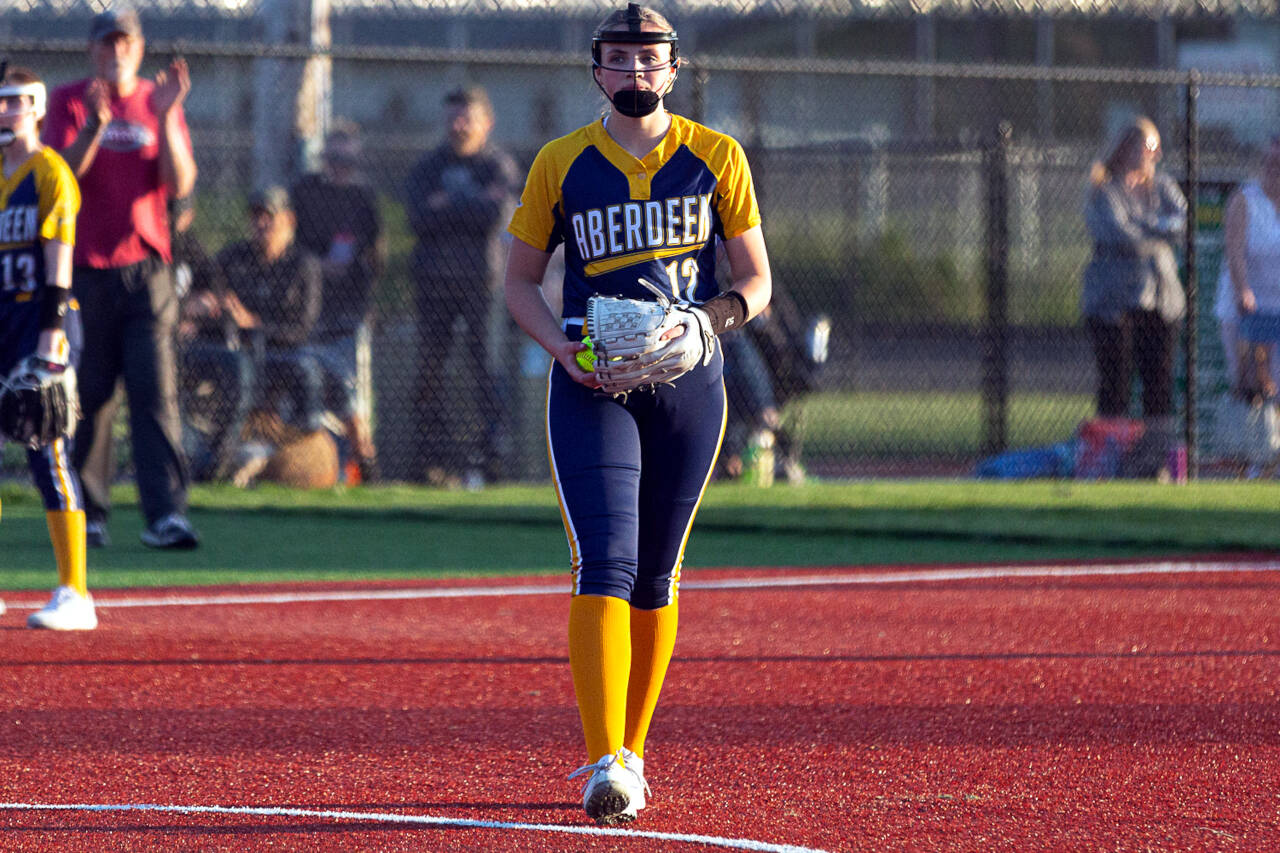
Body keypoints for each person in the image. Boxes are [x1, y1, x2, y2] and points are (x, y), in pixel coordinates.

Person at [503, 3, 771, 825]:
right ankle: (600, 759)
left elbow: (756, 281)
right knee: (604, 560)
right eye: (617, 58)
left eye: (647, 58)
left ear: (674, 68)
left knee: (657, 573)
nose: (633, 72)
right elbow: (518, 282)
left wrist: (706, 321)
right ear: (596, 70)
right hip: (594, 381)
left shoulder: (716, 155)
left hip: (689, 378)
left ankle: (635, 751)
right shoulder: (561, 162)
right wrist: (561, 349)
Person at [43, 7, 200, 549]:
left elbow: (179, 183)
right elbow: (60, 176)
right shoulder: (70, 99)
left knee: (155, 394)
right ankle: (88, 515)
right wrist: (94, 126)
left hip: (145, 272)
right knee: (88, 396)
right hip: (83, 271)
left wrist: (167, 116)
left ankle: (166, 516)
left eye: (126, 42)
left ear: (140, 46)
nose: (117, 52)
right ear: (92, 50)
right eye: (107, 43)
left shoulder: (157, 102)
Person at [0, 65, 97, 629]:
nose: (6, 113)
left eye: (16, 103)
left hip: (41, 324)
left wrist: (50, 338)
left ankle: (75, 592)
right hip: (0, 325)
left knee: (46, 452)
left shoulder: (51, 171)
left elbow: (58, 258)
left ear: (36, 108)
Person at [406, 86, 520, 487]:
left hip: (481, 285)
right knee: (430, 372)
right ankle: (431, 461)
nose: (458, 125)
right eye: (452, 117)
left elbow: (494, 217)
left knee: (487, 370)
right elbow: (418, 219)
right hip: (433, 283)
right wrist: (470, 203)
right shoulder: (427, 167)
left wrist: (447, 204)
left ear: (485, 123)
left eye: (466, 118)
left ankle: (493, 461)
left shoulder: (499, 167)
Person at [291, 119, 383, 481]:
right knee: (310, 377)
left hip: (352, 308)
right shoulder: (306, 192)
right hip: (308, 307)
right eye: (333, 158)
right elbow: (293, 244)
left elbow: (376, 253)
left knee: (354, 386)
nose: (339, 167)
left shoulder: (363, 198)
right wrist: (317, 266)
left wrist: (355, 266)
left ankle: (360, 462)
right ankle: (313, 458)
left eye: (347, 160)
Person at [1081, 116, 1186, 424]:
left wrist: (1146, 228)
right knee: (1116, 384)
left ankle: (1155, 458)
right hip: (1113, 302)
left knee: (1159, 381)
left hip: (1160, 298)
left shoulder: (1163, 186)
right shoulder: (1105, 190)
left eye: (1156, 147)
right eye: (1148, 146)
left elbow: (1181, 223)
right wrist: (1159, 230)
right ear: (1127, 147)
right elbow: (1119, 234)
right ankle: (1111, 458)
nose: (1154, 154)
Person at [214, 186, 324, 460]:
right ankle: (220, 457)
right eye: (255, 216)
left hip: (285, 353)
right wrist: (214, 304)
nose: (261, 223)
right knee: (235, 370)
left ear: (289, 220)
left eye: (269, 216)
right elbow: (210, 290)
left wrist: (254, 324)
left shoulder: (304, 265)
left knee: (307, 371)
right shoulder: (232, 258)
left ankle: (299, 449)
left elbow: (302, 328)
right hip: (238, 352)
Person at [174, 195, 255, 482]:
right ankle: (176, 461)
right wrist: (181, 311)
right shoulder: (145, 244)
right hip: (153, 344)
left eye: (180, 212)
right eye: (169, 211)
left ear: (190, 215)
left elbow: (216, 291)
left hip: (191, 347)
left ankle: (218, 460)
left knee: (236, 367)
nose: (174, 219)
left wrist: (207, 304)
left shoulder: (189, 246)